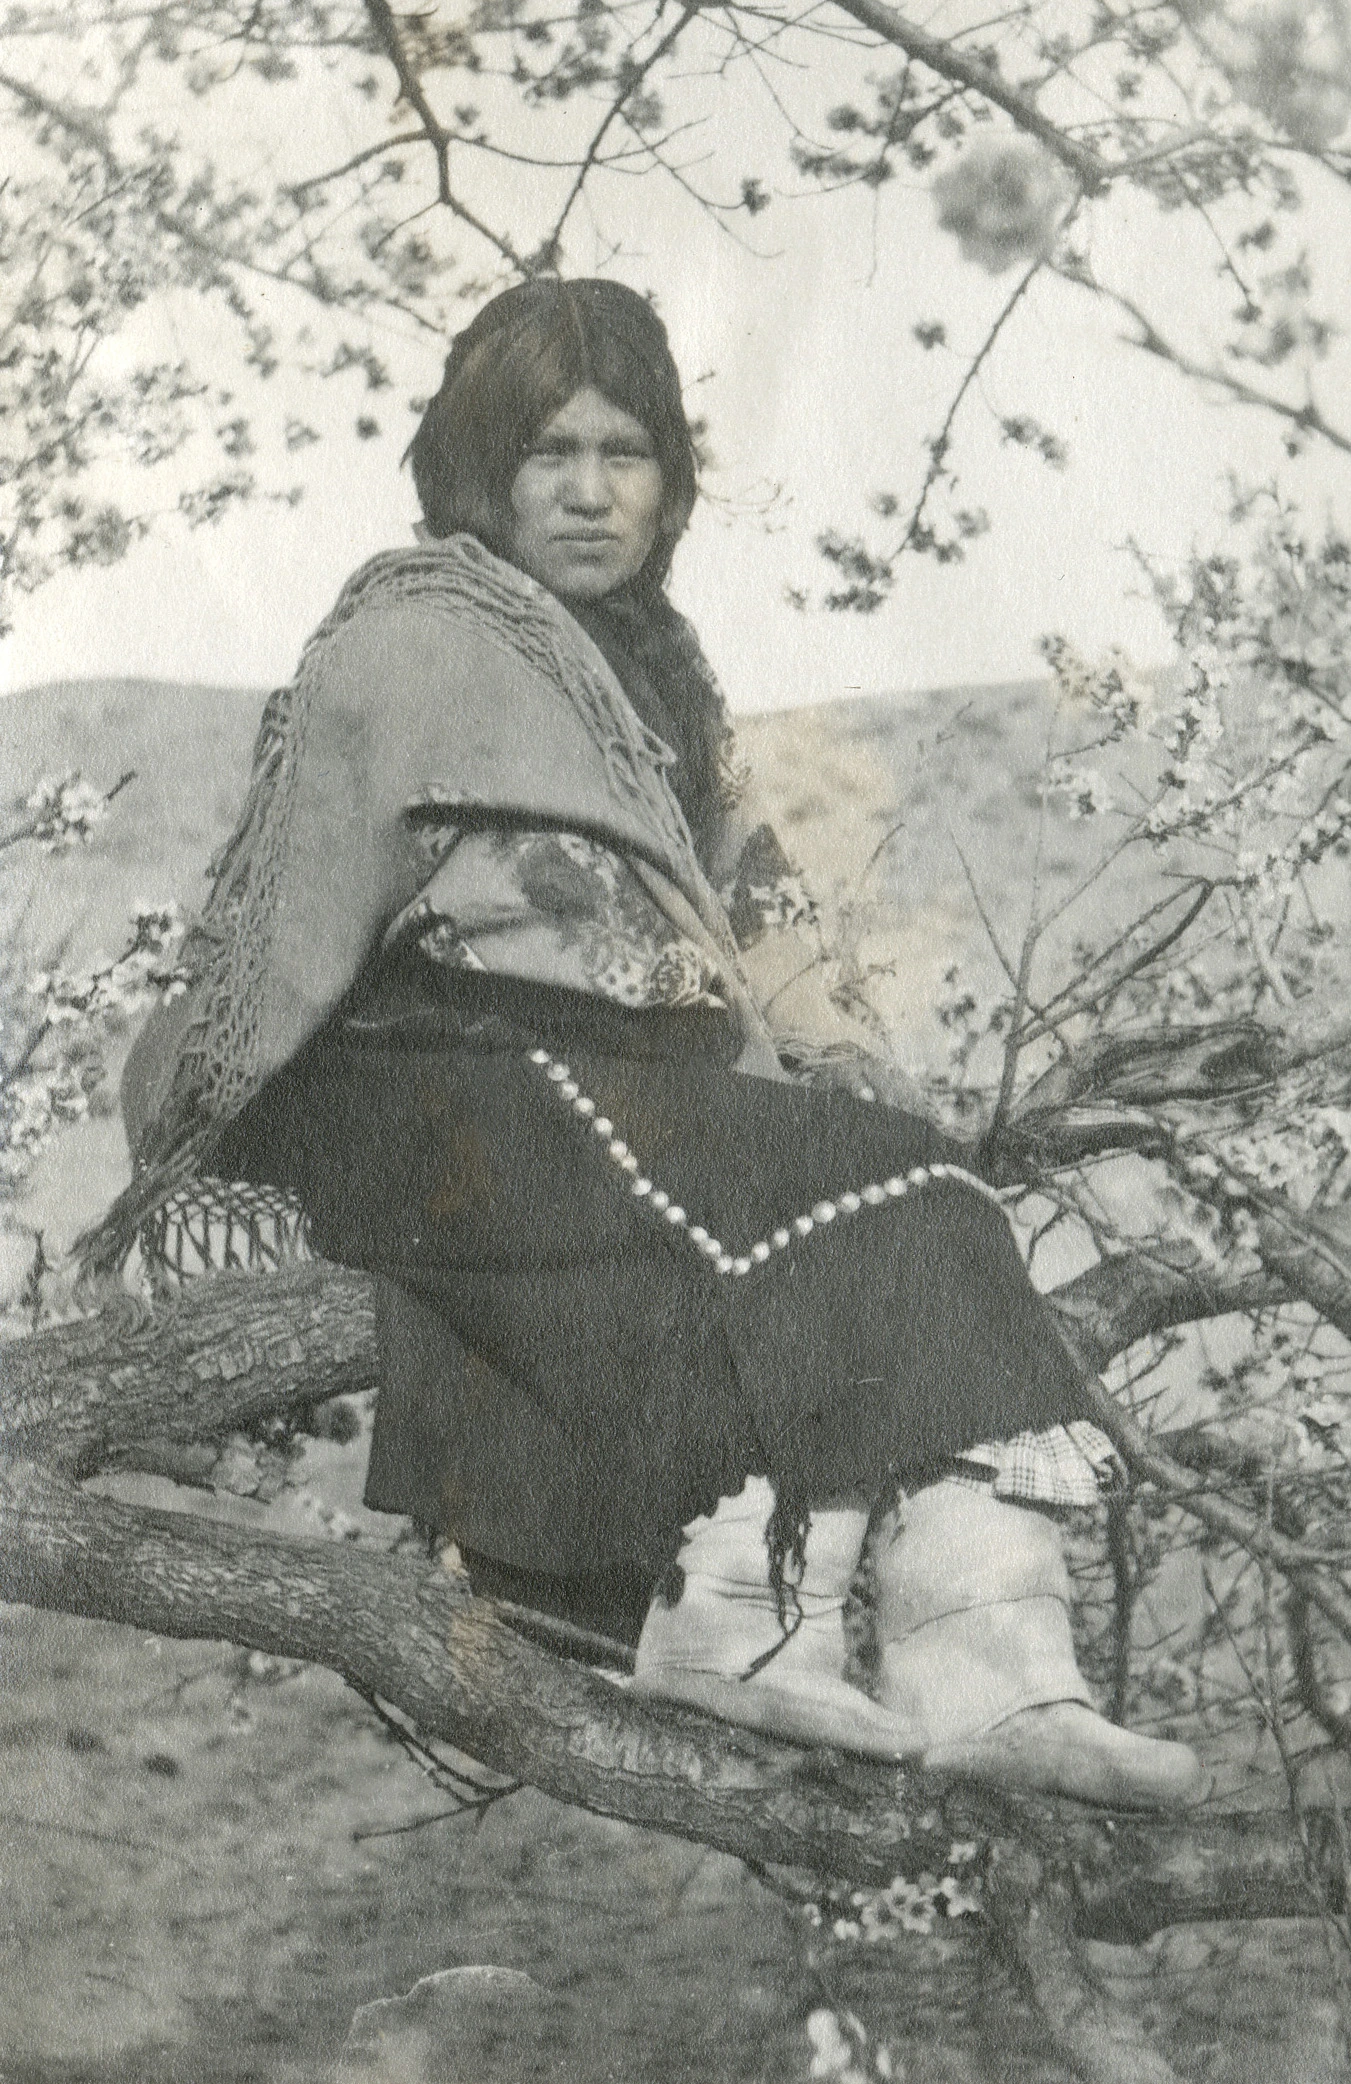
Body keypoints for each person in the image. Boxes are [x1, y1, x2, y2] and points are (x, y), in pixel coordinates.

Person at [94, 276, 1204, 1809]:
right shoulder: (411, 637)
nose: (593, 490)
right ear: (482, 468)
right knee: (843, 1196)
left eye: (629, 457)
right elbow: (288, 905)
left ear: (671, 486)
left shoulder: (658, 674)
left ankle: (991, 1669)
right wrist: (191, 1114)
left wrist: (847, 1065)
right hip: (426, 1082)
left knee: (914, 1180)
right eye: (552, 454)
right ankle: (739, 1627)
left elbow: (758, 912)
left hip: (614, 1090)